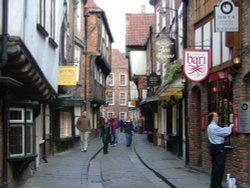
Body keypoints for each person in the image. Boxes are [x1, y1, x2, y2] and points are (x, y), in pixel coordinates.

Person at [207, 112, 234, 188]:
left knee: (215, 168)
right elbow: (225, 132)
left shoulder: (210, 126)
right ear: (213, 118)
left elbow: (221, 130)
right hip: (219, 148)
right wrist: (230, 126)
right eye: (216, 116)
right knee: (219, 168)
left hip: (214, 148)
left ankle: (214, 185)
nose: (218, 117)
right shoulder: (213, 127)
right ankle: (216, 185)